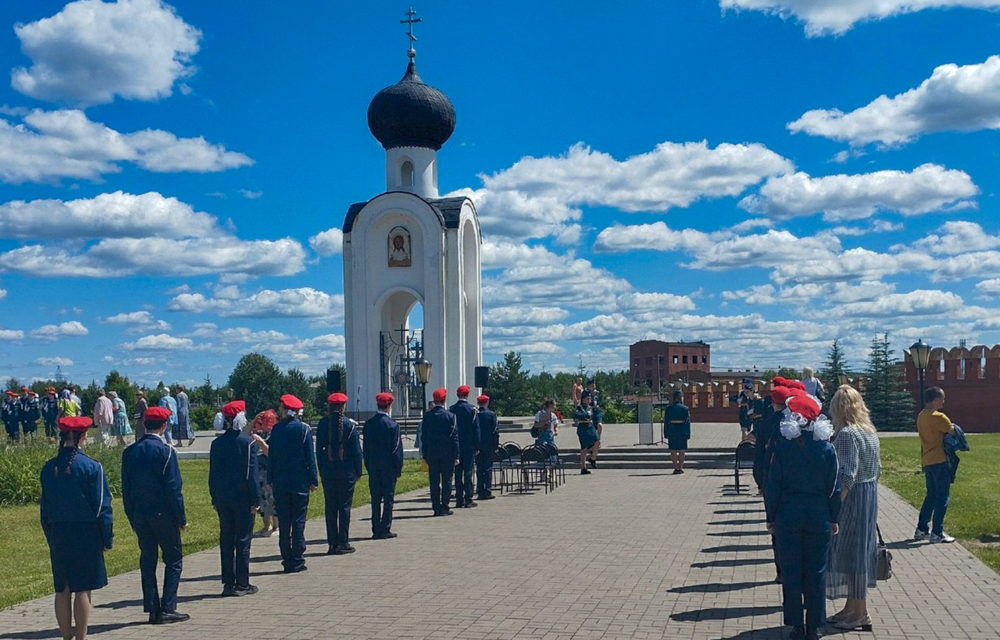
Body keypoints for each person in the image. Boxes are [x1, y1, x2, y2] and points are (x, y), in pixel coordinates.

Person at [765, 390, 840, 640]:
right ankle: (815, 625)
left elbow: (772, 484)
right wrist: (835, 517)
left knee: (791, 571)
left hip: (788, 515)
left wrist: (771, 517)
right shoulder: (826, 449)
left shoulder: (783, 448)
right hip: (818, 515)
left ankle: (796, 624)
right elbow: (834, 487)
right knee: (817, 571)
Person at [40, 416, 113, 640]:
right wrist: (106, 538)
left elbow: (44, 509)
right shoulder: (92, 467)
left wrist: (51, 535)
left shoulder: (48, 468)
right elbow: (102, 507)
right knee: (83, 588)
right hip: (86, 533)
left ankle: (65, 636)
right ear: (83, 436)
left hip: (59, 533)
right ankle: (81, 637)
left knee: (62, 588)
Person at [121, 406, 189, 624]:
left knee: (148, 559)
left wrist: (132, 516)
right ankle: (168, 606)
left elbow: (127, 490)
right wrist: (181, 517)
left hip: (141, 513)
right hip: (164, 514)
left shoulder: (129, 452)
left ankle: (152, 606)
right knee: (173, 559)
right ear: (164, 425)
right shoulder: (166, 452)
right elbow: (173, 488)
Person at [826, 385, 880, 632]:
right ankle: (851, 607)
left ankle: (860, 612)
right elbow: (877, 469)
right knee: (857, 552)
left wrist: (835, 508)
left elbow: (847, 475)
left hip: (854, 498)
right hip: (869, 495)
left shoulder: (847, 434)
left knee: (852, 553)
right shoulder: (869, 431)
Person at [209, 400, 260, 597]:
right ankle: (243, 582)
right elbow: (252, 475)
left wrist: (214, 497)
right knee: (243, 540)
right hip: (243, 499)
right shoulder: (248, 444)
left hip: (223, 499)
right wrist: (255, 500)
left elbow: (213, 474)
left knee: (226, 539)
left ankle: (228, 582)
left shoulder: (216, 444)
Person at [267, 394, 317, 573]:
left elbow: (271, 457)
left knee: (285, 521)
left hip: (280, 482)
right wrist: (313, 479)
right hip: (299, 483)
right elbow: (309, 457)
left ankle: (286, 558)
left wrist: (270, 479)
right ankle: (297, 558)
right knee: (298, 521)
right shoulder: (303, 429)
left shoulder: (276, 430)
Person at [756, 378, 794, 583]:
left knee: (775, 527)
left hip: (772, 481)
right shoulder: (793, 423)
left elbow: (760, 455)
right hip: (793, 483)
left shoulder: (767, 423)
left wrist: (760, 481)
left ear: (773, 402)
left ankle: (780, 570)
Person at [317, 393, 363, 553]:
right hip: (346, 472)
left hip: (328, 473)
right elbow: (357, 452)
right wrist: (358, 471)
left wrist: (322, 470)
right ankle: (343, 542)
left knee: (330, 507)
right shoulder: (350, 426)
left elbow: (319, 452)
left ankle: (332, 543)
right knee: (344, 507)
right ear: (343, 406)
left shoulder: (323, 424)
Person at [915, 386, 956, 543]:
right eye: (942, 399)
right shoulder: (939, 417)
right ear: (935, 400)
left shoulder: (921, 416)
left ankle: (921, 528)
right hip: (940, 460)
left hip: (927, 460)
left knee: (931, 495)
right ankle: (937, 532)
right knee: (942, 497)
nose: (943, 402)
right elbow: (953, 432)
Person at [362, 392, 404, 539]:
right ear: (389, 406)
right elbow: (396, 450)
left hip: (373, 467)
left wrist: (368, 465)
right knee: (388, 498)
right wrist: (398, 468)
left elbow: (365, 449)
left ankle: (375, 528)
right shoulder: (393, 425)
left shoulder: (369, 424)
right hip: (389, 468)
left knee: (375, 499)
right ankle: (385, 528)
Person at [421, 388, 459, 516]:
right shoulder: (450, 416)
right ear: (444, 400)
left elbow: (424, 437)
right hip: (447, 454)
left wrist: (425, 454)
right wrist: (456, 455)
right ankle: (445, 506)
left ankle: (436, 508)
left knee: (434, 481)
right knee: (447, 481)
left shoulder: (427, 416)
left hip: (432, 453)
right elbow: (454, 437)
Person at [249, 411, 279, 536]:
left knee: (272, 500)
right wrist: (253, 421)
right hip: (258, 472)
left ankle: (276, 527)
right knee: (262, 501)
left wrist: (261, 442)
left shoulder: (274, 434)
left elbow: (270, 453)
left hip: (270, 471)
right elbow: (245, 434)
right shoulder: (258, 433)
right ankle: (266, 526)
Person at [450, 385, 480, 509]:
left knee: (457, 473)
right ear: (467, 395)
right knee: (468, 472)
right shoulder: (472, 410)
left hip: (456, 446)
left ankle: (458, 499)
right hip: (469, 446)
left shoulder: (451, 409)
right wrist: (477, 445)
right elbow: (476, 429)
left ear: (457, 395)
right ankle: (468, 499)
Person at [476, 395, 499, 501]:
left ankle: (480, 490)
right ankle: (487, 490)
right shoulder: (491, 415)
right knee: (488, 468)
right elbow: (495, 431)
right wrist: (496, 446)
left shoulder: (475, 414)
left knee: (479, 468)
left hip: (477, 445)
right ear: (487, 402)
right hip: (489, 445)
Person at [663, 390, 691, 474]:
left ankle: (675, 468)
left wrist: (666, 433)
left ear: (673, 398)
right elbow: (687, 423)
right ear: (680, 398)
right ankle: (680, 467)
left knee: (673, 450)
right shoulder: (685, 409)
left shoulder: (668, 409)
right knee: (682, 450)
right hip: (682, 431)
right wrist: (688, 434)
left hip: (672, 431)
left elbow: (666, 422)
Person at [575, 393, 600, 474]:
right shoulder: (579, 407)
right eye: (587, 398)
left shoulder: (591, 407)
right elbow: (576, 415)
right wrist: (585, 414)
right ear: (583, 399)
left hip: (590, 426)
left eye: (589, 398)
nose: (589, 400)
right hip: (583, 427)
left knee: (597, 442)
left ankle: (592, 459)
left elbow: (595, 416)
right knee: (584, 448)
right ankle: (583, 468)